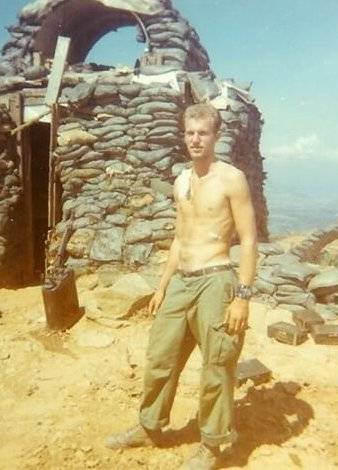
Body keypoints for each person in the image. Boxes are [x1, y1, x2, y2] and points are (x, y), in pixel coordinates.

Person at [105, 103, 258, 469]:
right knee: (161, 356)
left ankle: (213, 444)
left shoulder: (231, 179)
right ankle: (150, 426)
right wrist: (161, 285)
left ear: (216, 136)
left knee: (217, 365)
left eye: (203, 133)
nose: (195, 139)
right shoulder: (182, 180)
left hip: (216, 280)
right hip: (181, 282)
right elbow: (179, 237)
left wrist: (242, 297)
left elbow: (249, 240)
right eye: (190, 132)